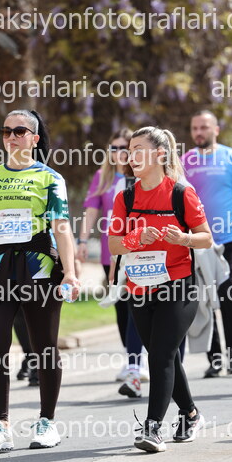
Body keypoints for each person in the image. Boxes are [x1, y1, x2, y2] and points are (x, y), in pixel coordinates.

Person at [0, 109, 80, 452]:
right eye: (6, 131)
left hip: (39, 268)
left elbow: (61, 228)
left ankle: (47, 421)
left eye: (19, 131)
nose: (11, 137)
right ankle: (0, 424)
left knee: (44, 347)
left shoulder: (49, 178)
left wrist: (71, 273)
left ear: (35, 138)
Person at [109, 126, 212, 453]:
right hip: (140, 288)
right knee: (161, 354)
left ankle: (153, 428)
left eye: (138, 149)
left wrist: (183, 238)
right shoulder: (125, 197)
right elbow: (114, 245)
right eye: (130, 150)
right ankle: (191, 414)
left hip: (178, 286)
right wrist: (136, 238)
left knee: (162, 354)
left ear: (160, 154)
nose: (131, 156)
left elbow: (206, 238)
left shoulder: (181, 193)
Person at [77, 128, 147, 399]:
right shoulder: (103, 177)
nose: (119, 153)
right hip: (112, 254)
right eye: (114, 148)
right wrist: (83, 241)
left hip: (139, 252)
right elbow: (90, 211)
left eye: (124, 148)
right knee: (121, 308)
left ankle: (138, 362)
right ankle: (132, 358)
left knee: (136, 306)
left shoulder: (141, 175)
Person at [182, 110, 232, 378]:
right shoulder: (185, 161)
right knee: (205, 300)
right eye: (195, 128)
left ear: (216, 130)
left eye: (204, 127)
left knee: (228, 297)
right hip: (199, 241)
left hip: (230, 239)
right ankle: (215, 358)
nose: (199, 132)